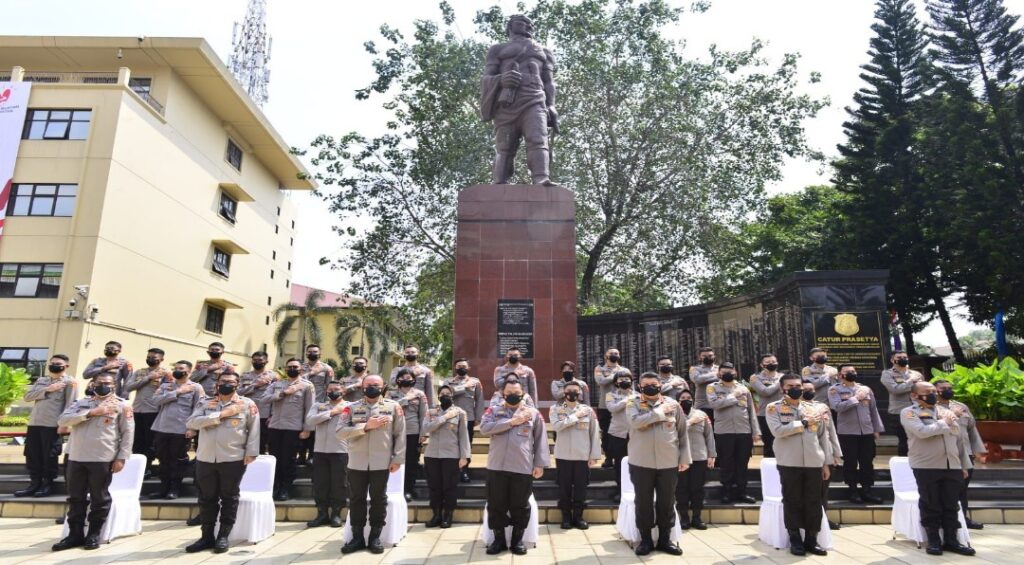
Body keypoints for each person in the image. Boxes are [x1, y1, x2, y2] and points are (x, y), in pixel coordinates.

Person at [52, 374, 134, 551]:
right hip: (76, 457)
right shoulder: (81, 403)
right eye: (99, 383)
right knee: (75, 497)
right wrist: (91, 413)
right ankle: (74, 535)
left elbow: (128, 434)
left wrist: (121, 457)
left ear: (114, 386)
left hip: (102, 458)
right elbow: (62, 421)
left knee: (99, 497)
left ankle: (94, 534)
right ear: (93, 384)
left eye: (107, 383)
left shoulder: (122, 405)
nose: (103, 386)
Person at [184, 372, 260, 553]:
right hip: (205, 458)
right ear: (217, 384)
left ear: (238, 384)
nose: (227, 384)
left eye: (231, 382)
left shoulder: (247, 404)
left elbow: (254, 430)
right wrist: (220, 415)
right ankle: (206, 536)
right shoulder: (205, 403)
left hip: (233, 458)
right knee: (206, 498)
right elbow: (192, 423)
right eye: (223, 381)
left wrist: (251, 453)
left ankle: (223, 536)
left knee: (229, 497)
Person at [480, 14, 558, 185]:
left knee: (538, 138)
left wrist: (551, 105)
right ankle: (499, 181)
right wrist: (501, 79)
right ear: (510, 26)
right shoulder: (497, 49)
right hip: (507, 101)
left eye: (529, 23)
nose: (526, 25)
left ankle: (541, 177)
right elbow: (486, 77)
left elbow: (549, 82)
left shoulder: (544, 52)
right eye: (520, 22)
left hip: (535, 98)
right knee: (504, 146)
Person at [901, 381, 975, 555]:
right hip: (927, 465)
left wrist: (963, 464)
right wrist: (943, 424)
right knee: (930, 503)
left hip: (952, 464)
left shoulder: (945, 412)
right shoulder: (909, 412)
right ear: (914, 396)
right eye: (927, 392)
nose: (932, 394)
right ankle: (933, 540)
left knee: (951, 504)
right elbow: (921, 432)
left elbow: (959, 439)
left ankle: (952, 540)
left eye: (934, 391)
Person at [337, 375, 406, 555]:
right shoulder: (350, 408)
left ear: (383, 387)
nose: (372, 387)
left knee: (379, 499)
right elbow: (340, 432)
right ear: (362, 386)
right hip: (357, 462)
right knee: (356, 499)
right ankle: (357, 537)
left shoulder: (393, 407)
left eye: (376, 385)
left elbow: (400, 435)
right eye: (369, 385)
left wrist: (397, 459)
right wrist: (366, 426)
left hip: (381, 463)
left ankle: (375, 537)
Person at [766, 373, 832, 556]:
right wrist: (803, 423)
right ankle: (795, 539)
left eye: (798, 385)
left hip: (814, 462)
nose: (796, 388)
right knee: (792, 499)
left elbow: (822, 438)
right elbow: (778, 431)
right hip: (789, 461)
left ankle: (811, 539)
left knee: (814, 500)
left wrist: (826, 462)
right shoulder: (774, 408)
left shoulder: (813, 409)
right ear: (782, 389)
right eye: (791, 386)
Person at [480, 380, 549, 556]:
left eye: (516, 392)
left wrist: (540, 464)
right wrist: (511, 422)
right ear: (503, 393)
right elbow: (484, 428)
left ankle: (518, 540)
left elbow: (541, 439)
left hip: (522, 466)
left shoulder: (532, 413)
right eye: (509, 391)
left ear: (523, 393)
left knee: (520, 505)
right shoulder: (494, 411)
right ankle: (499, 540)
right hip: (497, 466)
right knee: (496, 504)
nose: (513, 394)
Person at [626, 372, 690, 556]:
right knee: (643, 502)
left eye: (653, 384)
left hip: (668, 461)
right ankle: (645, 539)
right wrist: (658, 414)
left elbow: (682, 433)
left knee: (667, 501)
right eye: (645, 384)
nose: (650, 387)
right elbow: (635, 422)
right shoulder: (633, 403)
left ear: (660, 385)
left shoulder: (673, 404)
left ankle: (665, 539)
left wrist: (685, 458)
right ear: (640, 387)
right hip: (641, 462)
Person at [17, 355, 77, 498]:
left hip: (52, 425)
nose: (55, 365)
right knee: (32, 455)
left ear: (66, 366)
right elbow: (27, 397)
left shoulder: (70, 382)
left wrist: (64, 424)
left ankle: (46, 484)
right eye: (53, 363)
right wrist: (49, 389)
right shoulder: (42, 380)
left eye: (59, 363)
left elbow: (70, 404)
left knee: (49, 455)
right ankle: (34, 484)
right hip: (34, 423)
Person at [933, 379, 986, 529]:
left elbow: (972, 430)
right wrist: (952, 415)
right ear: (935, 391)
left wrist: (979, 451)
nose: (947, 390)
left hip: (966, 454)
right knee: (949, 489)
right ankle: (947, 520)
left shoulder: (961, 406)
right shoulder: (932, 409)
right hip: (946, 455)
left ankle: (963, 518)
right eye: (943, 388)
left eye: (950, 387)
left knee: (963, 489)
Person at [828, 364, 884, 504]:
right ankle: (852, 490)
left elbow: (873, 410)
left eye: (853, 371)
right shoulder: (835, 390)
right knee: (850, 462)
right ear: (840, 375)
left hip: (867, 431)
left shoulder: (865, 389)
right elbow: (837, 407)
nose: (851, 373)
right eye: (847, 372)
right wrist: (855, 399)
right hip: (847, 433)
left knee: (867, 462)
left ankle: (867, 490)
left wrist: (876, 429)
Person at [149, 361, 206, 499]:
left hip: (181, 429)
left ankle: (175, 488)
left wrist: (193, 428)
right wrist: (177, 392)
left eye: (181, 368)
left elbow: (199, 408)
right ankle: (163, 487)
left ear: (189, 371)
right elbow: (155, 401)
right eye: (176, 368)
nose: (178, 370)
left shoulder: (196, 388)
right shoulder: (166, 386)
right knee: (163, 459)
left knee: (178, 460)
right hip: (162, 427)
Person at [549, 381, 600, 530]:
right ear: (564, 393)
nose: (572, 393)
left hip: (582, 456)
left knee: (580, 488)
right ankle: (565, 517)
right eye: (569, 390)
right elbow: (557, 426)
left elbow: (594, 433)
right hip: (563, 455)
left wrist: (594, 455)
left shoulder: (588, 410)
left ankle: (578, 516)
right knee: (564, 488)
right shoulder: (555, 409)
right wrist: (575, 416)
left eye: (575, 391)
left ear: (580, 394)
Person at [707, 362, 760, 504]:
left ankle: (742, 492)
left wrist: (755, 431)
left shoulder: (744, 388)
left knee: (742, 463)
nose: (727, 374)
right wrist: (732, 396)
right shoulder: (713, 387)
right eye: (724, 372)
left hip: (744, 431)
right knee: (726, 463)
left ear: (735, 373)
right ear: (719, 374)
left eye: (730, 371)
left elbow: (751, 411)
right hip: (724, 432)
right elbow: (714, 404)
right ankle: (727, 492)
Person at [421, 385, 471, 529]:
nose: (445, 396)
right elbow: (426, 428)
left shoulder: (460, 412)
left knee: (449, 487)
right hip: (432, 455)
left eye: (448, 394)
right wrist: (444, 417)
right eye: (442, 394)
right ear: (438, 396)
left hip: (452, 455)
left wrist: (464, 456)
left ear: (453, 396)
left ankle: (447, 516)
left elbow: (463, 436)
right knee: (434, 487)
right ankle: (436, 515)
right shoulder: (431, 412)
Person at [266, 358, 314, 501]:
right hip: (275, 426)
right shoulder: (277, 384)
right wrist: (283, 393)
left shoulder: (307, 386)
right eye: (289, 366)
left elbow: (309, 409)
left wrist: (307, 429)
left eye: (295, 366)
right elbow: (264, 399)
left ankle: (286, 488)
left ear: (301, 369)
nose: (292, 369)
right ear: (285, 369)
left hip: (293, 428)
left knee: (288, 459)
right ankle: (275, 486)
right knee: (275, 458)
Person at [304, 381, 349, 528]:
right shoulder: (318, 406)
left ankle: (336, 513)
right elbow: (310, 420)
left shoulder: (350, 406)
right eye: (330, 389)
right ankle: (322, 513)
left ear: (343, 391)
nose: (333, 391)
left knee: (339, 483)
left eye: (337, 389)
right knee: (320, 483)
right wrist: (332, 413)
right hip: (320, 451)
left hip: (341, 450)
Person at [802, 379, 843, 530]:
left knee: (823, 490)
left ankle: (823, 518)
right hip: (809, 451)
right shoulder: (798, 408)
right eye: (805, 389)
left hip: (827, 451)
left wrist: (837, 453)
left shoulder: (823, 406)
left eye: (811, 389)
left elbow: (831, 430)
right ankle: (810, 519)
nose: (809, 391)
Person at [123, 347, 168, 477]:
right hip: (137, 409)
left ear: (161, 359)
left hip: (153, 411)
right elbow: (128, 387)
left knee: (150, 441)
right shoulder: (140, 372)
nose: (150, 359)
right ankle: (136, 467)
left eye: (154, 357)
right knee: (137, 440)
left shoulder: (166, 373)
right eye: (148, 357)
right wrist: (148, 378)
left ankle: (147, 467)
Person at [676, 389, 715, 530]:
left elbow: (709, 436)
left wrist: (711, 455)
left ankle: (697, 518)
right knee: (681, 489)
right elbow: (674, 432)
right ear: (677, 401)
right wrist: (691, 422)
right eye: (682, 398)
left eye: (688, 397)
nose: (686, 400)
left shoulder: (702, 415)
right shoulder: (673, 414)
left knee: (697, 488)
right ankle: (684, 518)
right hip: (680, 458)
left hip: (699, 456)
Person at [442, 358, 485, 482]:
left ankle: (465, 470)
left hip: (469, 418)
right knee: (452, 444)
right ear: (455, 368)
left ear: (468, 368)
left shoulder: (475, 382)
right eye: (459, 366)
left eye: (464, 366)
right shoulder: (448, 381)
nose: (461, 368)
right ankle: (453, 471)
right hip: (451, 417)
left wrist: (478, 417)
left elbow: (480, 400)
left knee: (466, 445)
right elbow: (447, 394)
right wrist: (464, 386)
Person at [390, 367, 428, 502]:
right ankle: (394, 490)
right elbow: (389, 408)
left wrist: (424, 433)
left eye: (408, 378)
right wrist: (406, 399)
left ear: (413, 380)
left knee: (411, 462)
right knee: (394, 460)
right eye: (403, 377)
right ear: (398, 380)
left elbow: (424, 415)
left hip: (413, 431)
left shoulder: (420, 394)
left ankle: (408, 490)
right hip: (394, 431)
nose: (405, 380)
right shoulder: (391, 394)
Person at [298, 344, 335, 466]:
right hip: (300, 403)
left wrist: (327, 404)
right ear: (306, 353)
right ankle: (301, 456)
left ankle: (313, 457)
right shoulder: (300, 367)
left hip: (319, 403)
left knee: (315, 432)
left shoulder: (327, 368)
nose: (312, 353)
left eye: (315, 351)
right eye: (309, 351)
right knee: (301, 429)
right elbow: (296, 381)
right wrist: (311, 373)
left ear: (320, 354)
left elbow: (330, 387)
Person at [881, 351, 922, 456]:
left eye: (905, 357)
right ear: (892, 360)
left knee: (918, 438)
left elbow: (922, 390)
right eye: (899, 357)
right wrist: (911, 381)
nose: (902, 358)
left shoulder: (916, 374)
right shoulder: (887, 374)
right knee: (904, 440)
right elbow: (895, 390)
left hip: (917, 410)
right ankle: (904, 466)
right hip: (898, 411)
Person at [593, 349, 629, 467]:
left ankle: (623, 458)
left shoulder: (625, 370)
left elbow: (630, 386)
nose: (614, 355)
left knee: (622, 432)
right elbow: (601, 381)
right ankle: (608, 458)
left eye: (617, 353)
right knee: (607, 433)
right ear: (605, 356)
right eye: (611, 353)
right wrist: (616, 375)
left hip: (622, 405)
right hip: (604, 406)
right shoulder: (600, 369)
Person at [605, 370, 636, 502]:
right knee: (619, 464)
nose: (624, 380)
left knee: (635, 463)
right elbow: (612, 408)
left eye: (627, 378)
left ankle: (635, 489)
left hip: (635, 434)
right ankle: (620, 490)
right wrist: (628, 400)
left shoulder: (640, 395)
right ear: (616, 382)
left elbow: (644, 410)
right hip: (617, 434)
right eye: (621, 378)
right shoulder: (610, 395)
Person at [238, 351, 275, 454]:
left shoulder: (273, 376)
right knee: (246, 439)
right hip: (247, 412)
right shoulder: (245, 376)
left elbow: (275, 397)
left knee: (262, 441)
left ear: (266, 361)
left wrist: (272, 414)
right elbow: (237, 392)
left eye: (260, 360)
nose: (257, 362)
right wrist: (255, 385)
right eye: (255, 360)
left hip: (265, 413)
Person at [749, 353, 782, 458]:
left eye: (773, 362)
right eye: (768, 362)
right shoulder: (755, 378)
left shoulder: (782, 376)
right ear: (762, 365)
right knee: (769, 444)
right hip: (765, 414)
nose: (771, 364)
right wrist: (780, 383)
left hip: (783, 412)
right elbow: (765, 392)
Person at [690, 347, 719, 423]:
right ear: (700, 357)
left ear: (714, 356)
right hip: (703, 405)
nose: (708, 358)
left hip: (719, 404)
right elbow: (697, 379)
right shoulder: (694, 369)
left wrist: (705, 377)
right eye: (704, 356)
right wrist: (715, 375)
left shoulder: (720, 368)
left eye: (710, 356)